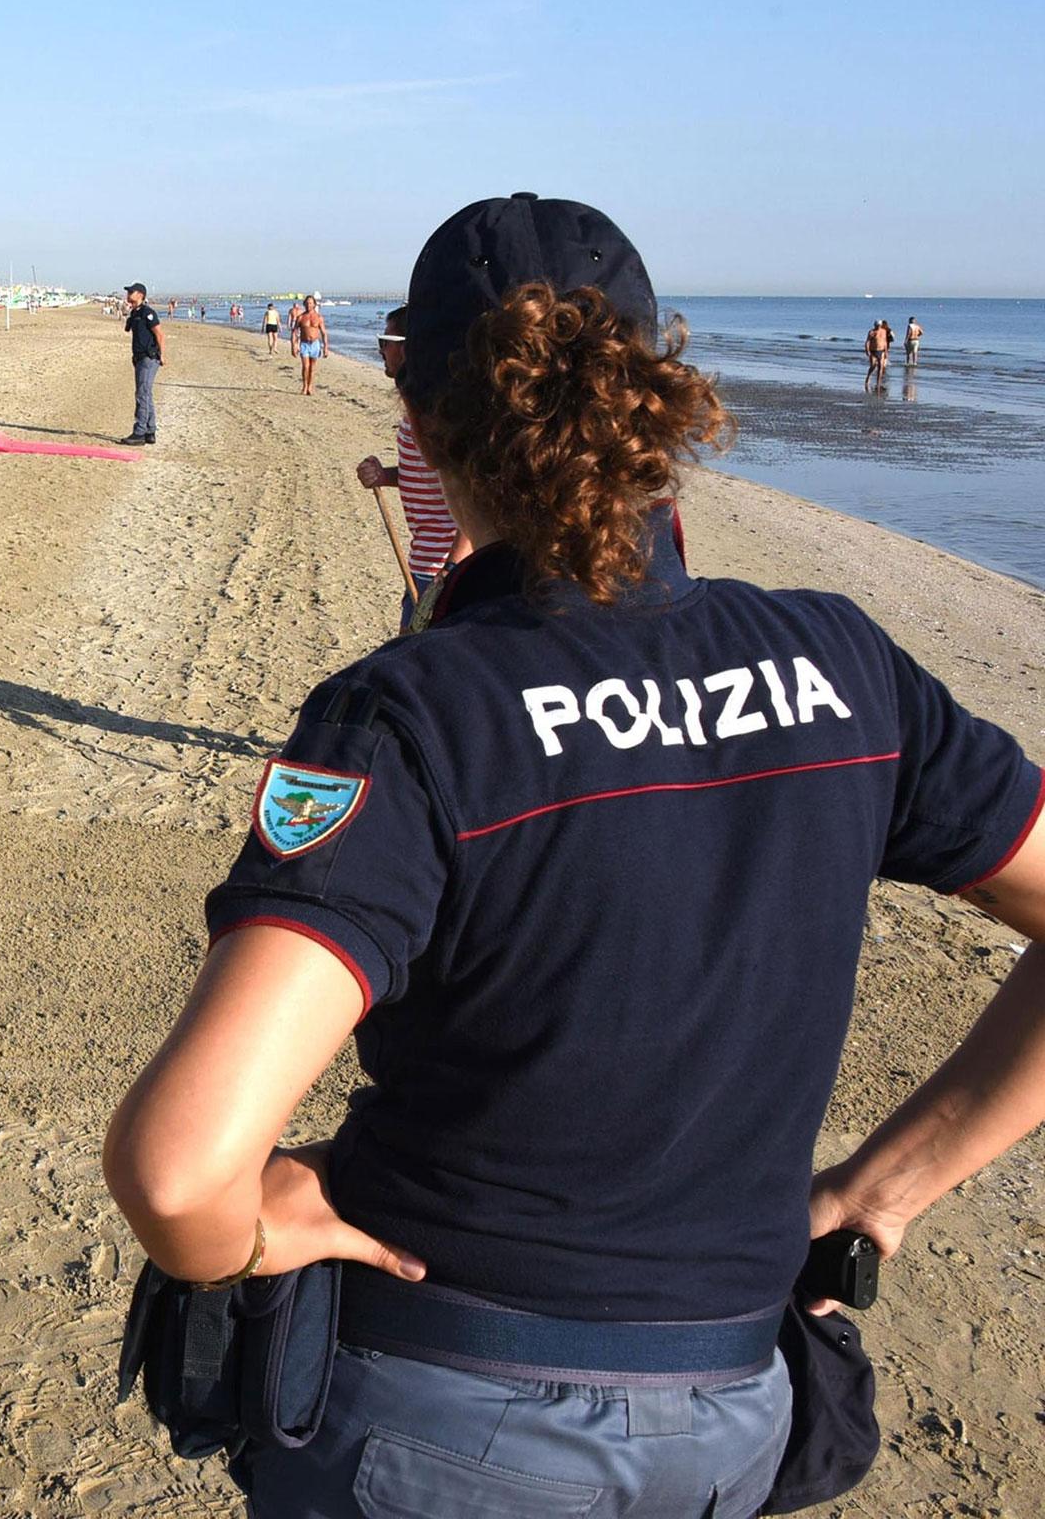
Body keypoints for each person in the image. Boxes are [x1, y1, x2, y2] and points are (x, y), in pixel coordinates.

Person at [105, 193, 1045, 1519]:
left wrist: (253, 1227)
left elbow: (178, 1169)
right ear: (655, 395)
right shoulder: (842, 665)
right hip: (732, 1408)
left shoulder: (411, 719)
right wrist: (886, 1186)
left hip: (446, 1412)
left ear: (419, 423)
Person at [356, 305, 471, 628]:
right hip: (424, 564)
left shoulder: (437, 416)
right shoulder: (416, 412)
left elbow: (474, 494)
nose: (381, 350)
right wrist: (384, 476)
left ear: (408, 348)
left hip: (441, 572)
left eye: (385, 341)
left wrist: (449, 572)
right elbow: (426, 476)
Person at [121, 281, 164, 446]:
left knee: (141, 394)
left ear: (140, 295)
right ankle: (150, 430)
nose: (127, 295)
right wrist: (128, 312)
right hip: (138, 358)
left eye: (131, 292)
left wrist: (162, 355)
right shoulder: (135, 313)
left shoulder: (148, 312)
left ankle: (139, 431)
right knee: (146, 394)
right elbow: (127, 329)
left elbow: (160, 334)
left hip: (149, 357)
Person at [295, 295, 328, 395]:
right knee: (305, 366)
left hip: (315, 344)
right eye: (307, 303)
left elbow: (323, 333)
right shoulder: (301, 317)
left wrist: (326, 347)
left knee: (312, 367)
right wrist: (294, 345)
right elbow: (295, 332)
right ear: (304, 304)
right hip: (304, 344)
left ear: (314, 304)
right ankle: (304, 386)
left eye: (310, 303)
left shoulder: (319, 317)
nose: (308, 305)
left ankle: (310, 386)